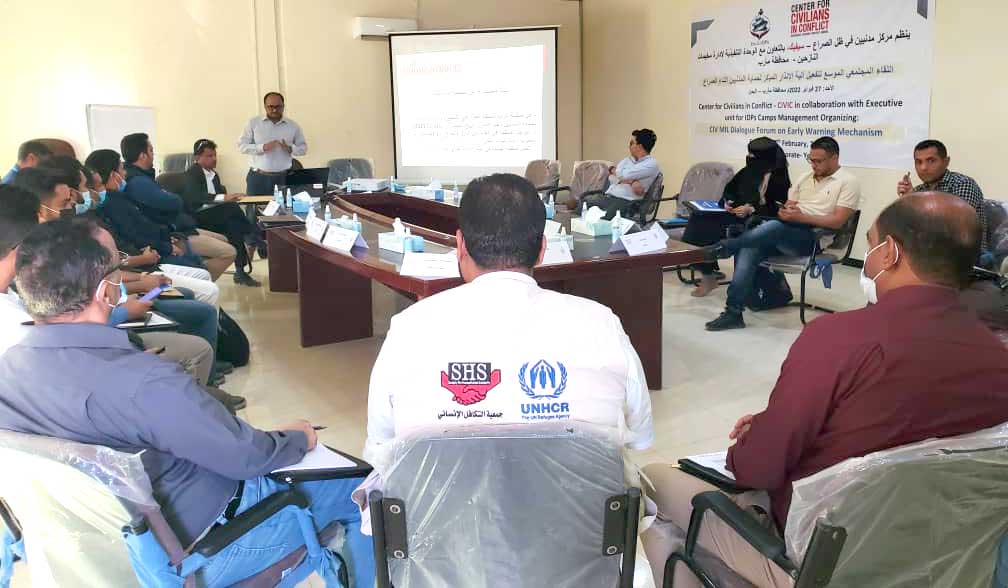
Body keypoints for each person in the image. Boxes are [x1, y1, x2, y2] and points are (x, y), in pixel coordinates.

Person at [643, 192, 1008, 587]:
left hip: (820, 561)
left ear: (889, 253)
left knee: (654, 483)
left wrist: (754, 439)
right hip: (943, 555)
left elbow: (760, 468)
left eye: (871, 245)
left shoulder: (839, 339)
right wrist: (774, 424)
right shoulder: (996, 354)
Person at [0, 217, 374, 586]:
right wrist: (295, 437)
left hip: (95, 547)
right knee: (363, 491)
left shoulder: (7, 370)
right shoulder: (144, 383)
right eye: (117, 265)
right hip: (204, 549)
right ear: (106, 292)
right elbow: (247, 457)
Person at [363, 173, 655, 585]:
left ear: (460, 245)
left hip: (442, 567)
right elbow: (639, 438)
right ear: (542, 247)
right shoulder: (601, 324)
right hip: (578, 565)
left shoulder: (408, 329)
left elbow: (382, 448)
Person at [705, 136, 860, 331]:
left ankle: (728, 246)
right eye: (811, 159)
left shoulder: (848, 182)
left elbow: (838, 221)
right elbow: (787, 207)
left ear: (834, 158)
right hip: (788, 229)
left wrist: (801, 217)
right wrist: (786, 212)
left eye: (818, 161)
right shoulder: (805, 178)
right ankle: (733, 313)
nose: (813, 165)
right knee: (751, 245)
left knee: (771, 229)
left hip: (814, 238)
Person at [120, 133, 237, 280]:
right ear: (143, 156)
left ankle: (200, 271)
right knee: (229, 252)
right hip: (172, 234)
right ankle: (202, 281)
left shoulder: (143, 177)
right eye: (151, 150)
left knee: (224, 238)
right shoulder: (139, 182)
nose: (153, 154)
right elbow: (175, 202)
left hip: (180, 227)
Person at [684, 137, 790, 297]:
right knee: (698, 221)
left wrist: (751, 208)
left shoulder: (779, 177)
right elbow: (730, 190)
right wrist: (727, 202)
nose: (749, 158)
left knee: (709, 229)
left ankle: (713, 274)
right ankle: (707, 274)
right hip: (735, 215)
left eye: (753, 156)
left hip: (759, 220)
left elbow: (777, 207)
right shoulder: (749, 170)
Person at [84, 148, 210, 278]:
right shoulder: (113, 203)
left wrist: (166, 236)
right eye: (121, 169)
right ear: (113, 175)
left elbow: (144, 225)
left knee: (197, 264)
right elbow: (135, 237)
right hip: (148, 259)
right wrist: (167, 247)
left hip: (156, 247)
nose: (125, 173)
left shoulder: (120, 197)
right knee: (201, 273)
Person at [180, 138, 264, 286]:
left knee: (234, 226)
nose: (214, 159)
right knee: (230, 207)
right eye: (209, 156)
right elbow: (195, 197)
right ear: (197, 158)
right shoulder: (192, 174)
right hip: (198, 216)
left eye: (214, 155)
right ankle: (253, 234)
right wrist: (225, 197)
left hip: (216, 216)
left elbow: (219, 199)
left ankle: (240, 271)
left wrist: (229, 198)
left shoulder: (214, 175)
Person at [896, 139, 986, 250]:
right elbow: (907, 229)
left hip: (964, 253)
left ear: (946, 162)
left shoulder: (962, 184)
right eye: (918, 162)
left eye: (931, 161)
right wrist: (907, 201)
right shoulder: (919, 191)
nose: (923, 167)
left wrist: (916, 203)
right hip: (928, 253)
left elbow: (952, 228)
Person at [238, 91, 308, 195]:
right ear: (265, 106)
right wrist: (262, 147)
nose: (274, 110)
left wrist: (290, 149)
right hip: (258, 178)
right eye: (270, 106)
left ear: (283, 106)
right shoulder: (253, 123)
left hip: (284, 178)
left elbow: (303, 149)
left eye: (278, 106)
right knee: (254, 205)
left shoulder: (293, 126)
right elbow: (242, 146)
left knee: (286, 205)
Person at [585, 129, 660, 219]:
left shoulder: (651, 164)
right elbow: (612, 177)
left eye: (631, 143)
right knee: (582, 206)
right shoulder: (627, 160)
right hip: (608, 196)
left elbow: (623, 175)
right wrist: (633, 182)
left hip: (627, 201)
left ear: (639, 146)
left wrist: (616, 173)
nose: (629, 146)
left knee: (603, 221)